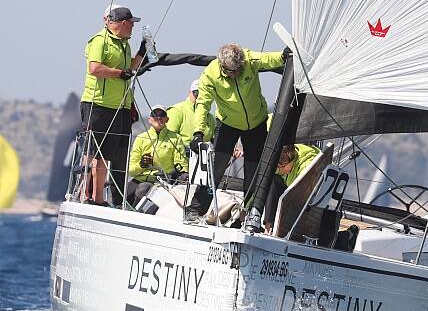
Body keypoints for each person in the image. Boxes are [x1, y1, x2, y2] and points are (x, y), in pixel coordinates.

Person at [186, 43, 285, 222]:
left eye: (239, 69)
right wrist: (198, 132)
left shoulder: (248, 59)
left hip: (256, 123)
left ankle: (247, 216)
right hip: (227, 124)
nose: (237, 73)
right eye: (232, 71)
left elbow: (268, 59)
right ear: (223, 65)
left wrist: (284, 55)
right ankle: (195, 210)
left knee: (254, 172)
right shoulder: (210, 74)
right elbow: (203, 104)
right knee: (216, 169)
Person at [80, 4, 146, 207]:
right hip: (97, 103)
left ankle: (99, 199)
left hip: (119, 106)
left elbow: (130, 68)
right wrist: (120, 74)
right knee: (92, 151)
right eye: (131, 24)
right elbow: (95, 68)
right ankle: (84, 194)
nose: (133, 28)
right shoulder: (100, 41)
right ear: (123, 23)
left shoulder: (124, 44)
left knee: (106, 154)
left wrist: (143, 51)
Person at [245, 142, 322, 234]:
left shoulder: (306, 166)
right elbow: (261, 185)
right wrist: (246, 208)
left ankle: (285, 230)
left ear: (292, 161)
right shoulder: (280, 161)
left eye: (283, 167)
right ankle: (268, 228)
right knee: (272, 179)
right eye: (278, 167)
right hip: (290, 188)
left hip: (311, 197)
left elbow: (307, 193)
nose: (280, 170)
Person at [127, 107, 188, 206]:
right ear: (150, 119)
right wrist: (141, 165)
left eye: (162, 115)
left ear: (167, 119)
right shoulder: (141, 138)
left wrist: (179, 174)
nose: (159, 118)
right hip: (141, 178)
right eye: (155, 115)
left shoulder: (176, 138)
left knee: (142, 189)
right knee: (125, 193)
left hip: (163, 180)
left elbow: (182, 163)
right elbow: (130, 170)